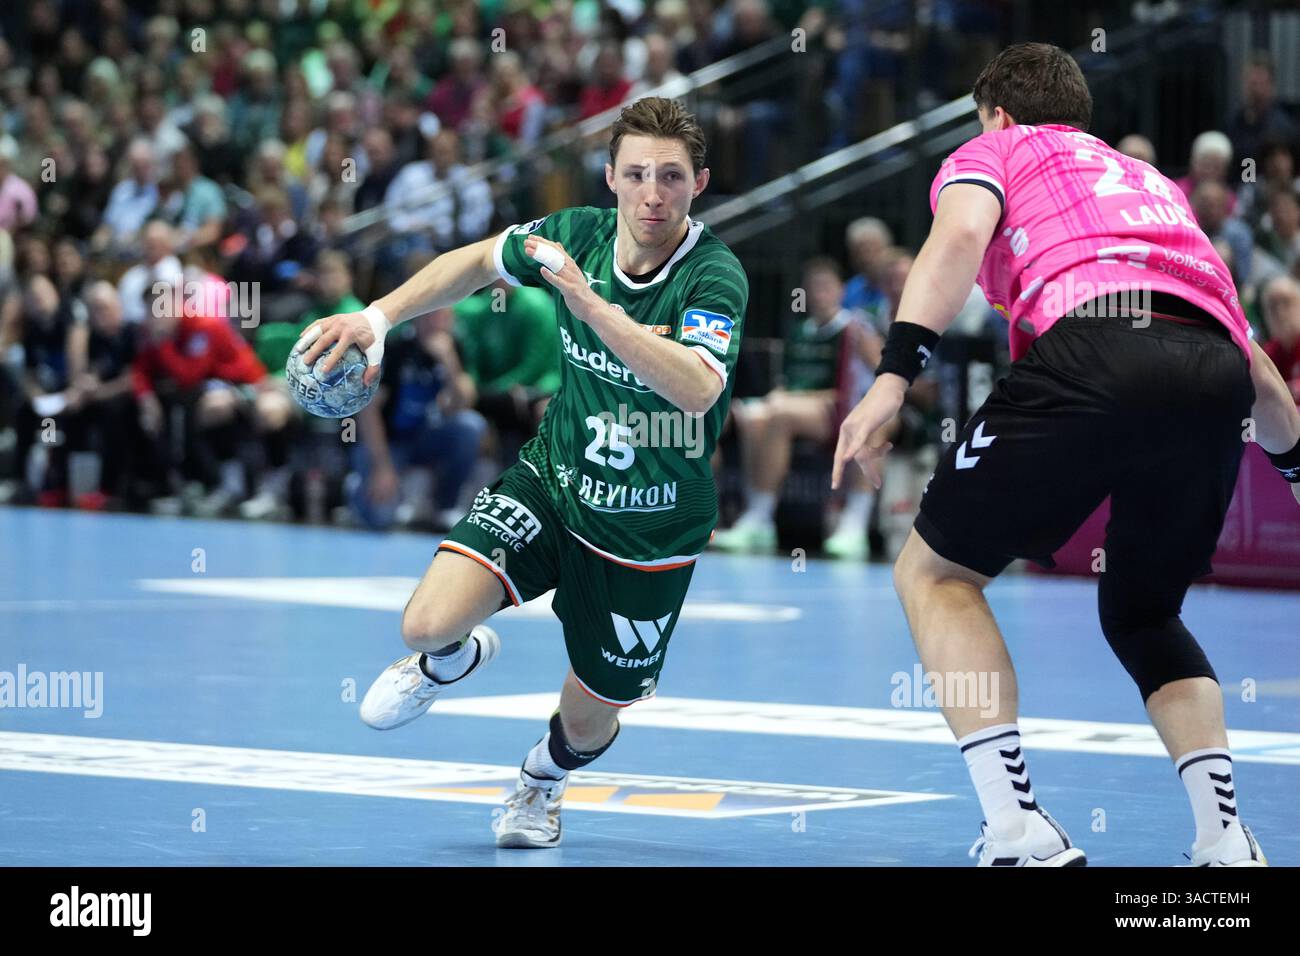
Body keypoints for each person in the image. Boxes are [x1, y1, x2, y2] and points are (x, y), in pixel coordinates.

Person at [834, 43, 1300, 867]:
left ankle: (1015, 827)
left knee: (936, 573)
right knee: (1146, 611)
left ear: (1000, 114)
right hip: (1213, 373)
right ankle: (1225, 840)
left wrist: (892, 379)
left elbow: (963, 234)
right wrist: (1297, 471)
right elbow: (1250, 354)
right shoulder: (1154, 186)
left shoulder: (1000, 147)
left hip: (1094, 351)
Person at [297, 97, 748, 849]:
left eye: (671, 176)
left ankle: (541, 782)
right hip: (554, 482)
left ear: (699, 183)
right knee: (425, 622)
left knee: (589, 715)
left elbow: (697, 387)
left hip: (650, 526)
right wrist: (376, 318)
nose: (652, 193)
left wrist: (588, 300)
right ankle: (452, 660)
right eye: (636, 174)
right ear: (610, 177)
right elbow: (474, 262)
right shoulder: (576, 234)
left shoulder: (714, 276)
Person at [714, 256, 879, 556]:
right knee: (750, 416)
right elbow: (787, 381)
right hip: (797, 402)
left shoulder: (854, 329)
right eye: (813, 288)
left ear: (841, 290)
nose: (819, 294)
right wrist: (779, 395)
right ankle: (754, 517)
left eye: (826, 287)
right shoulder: (800, 330)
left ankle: (762, 514)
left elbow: (854, 386)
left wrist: (790, 399)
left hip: (837, 408)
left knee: (780, 415)